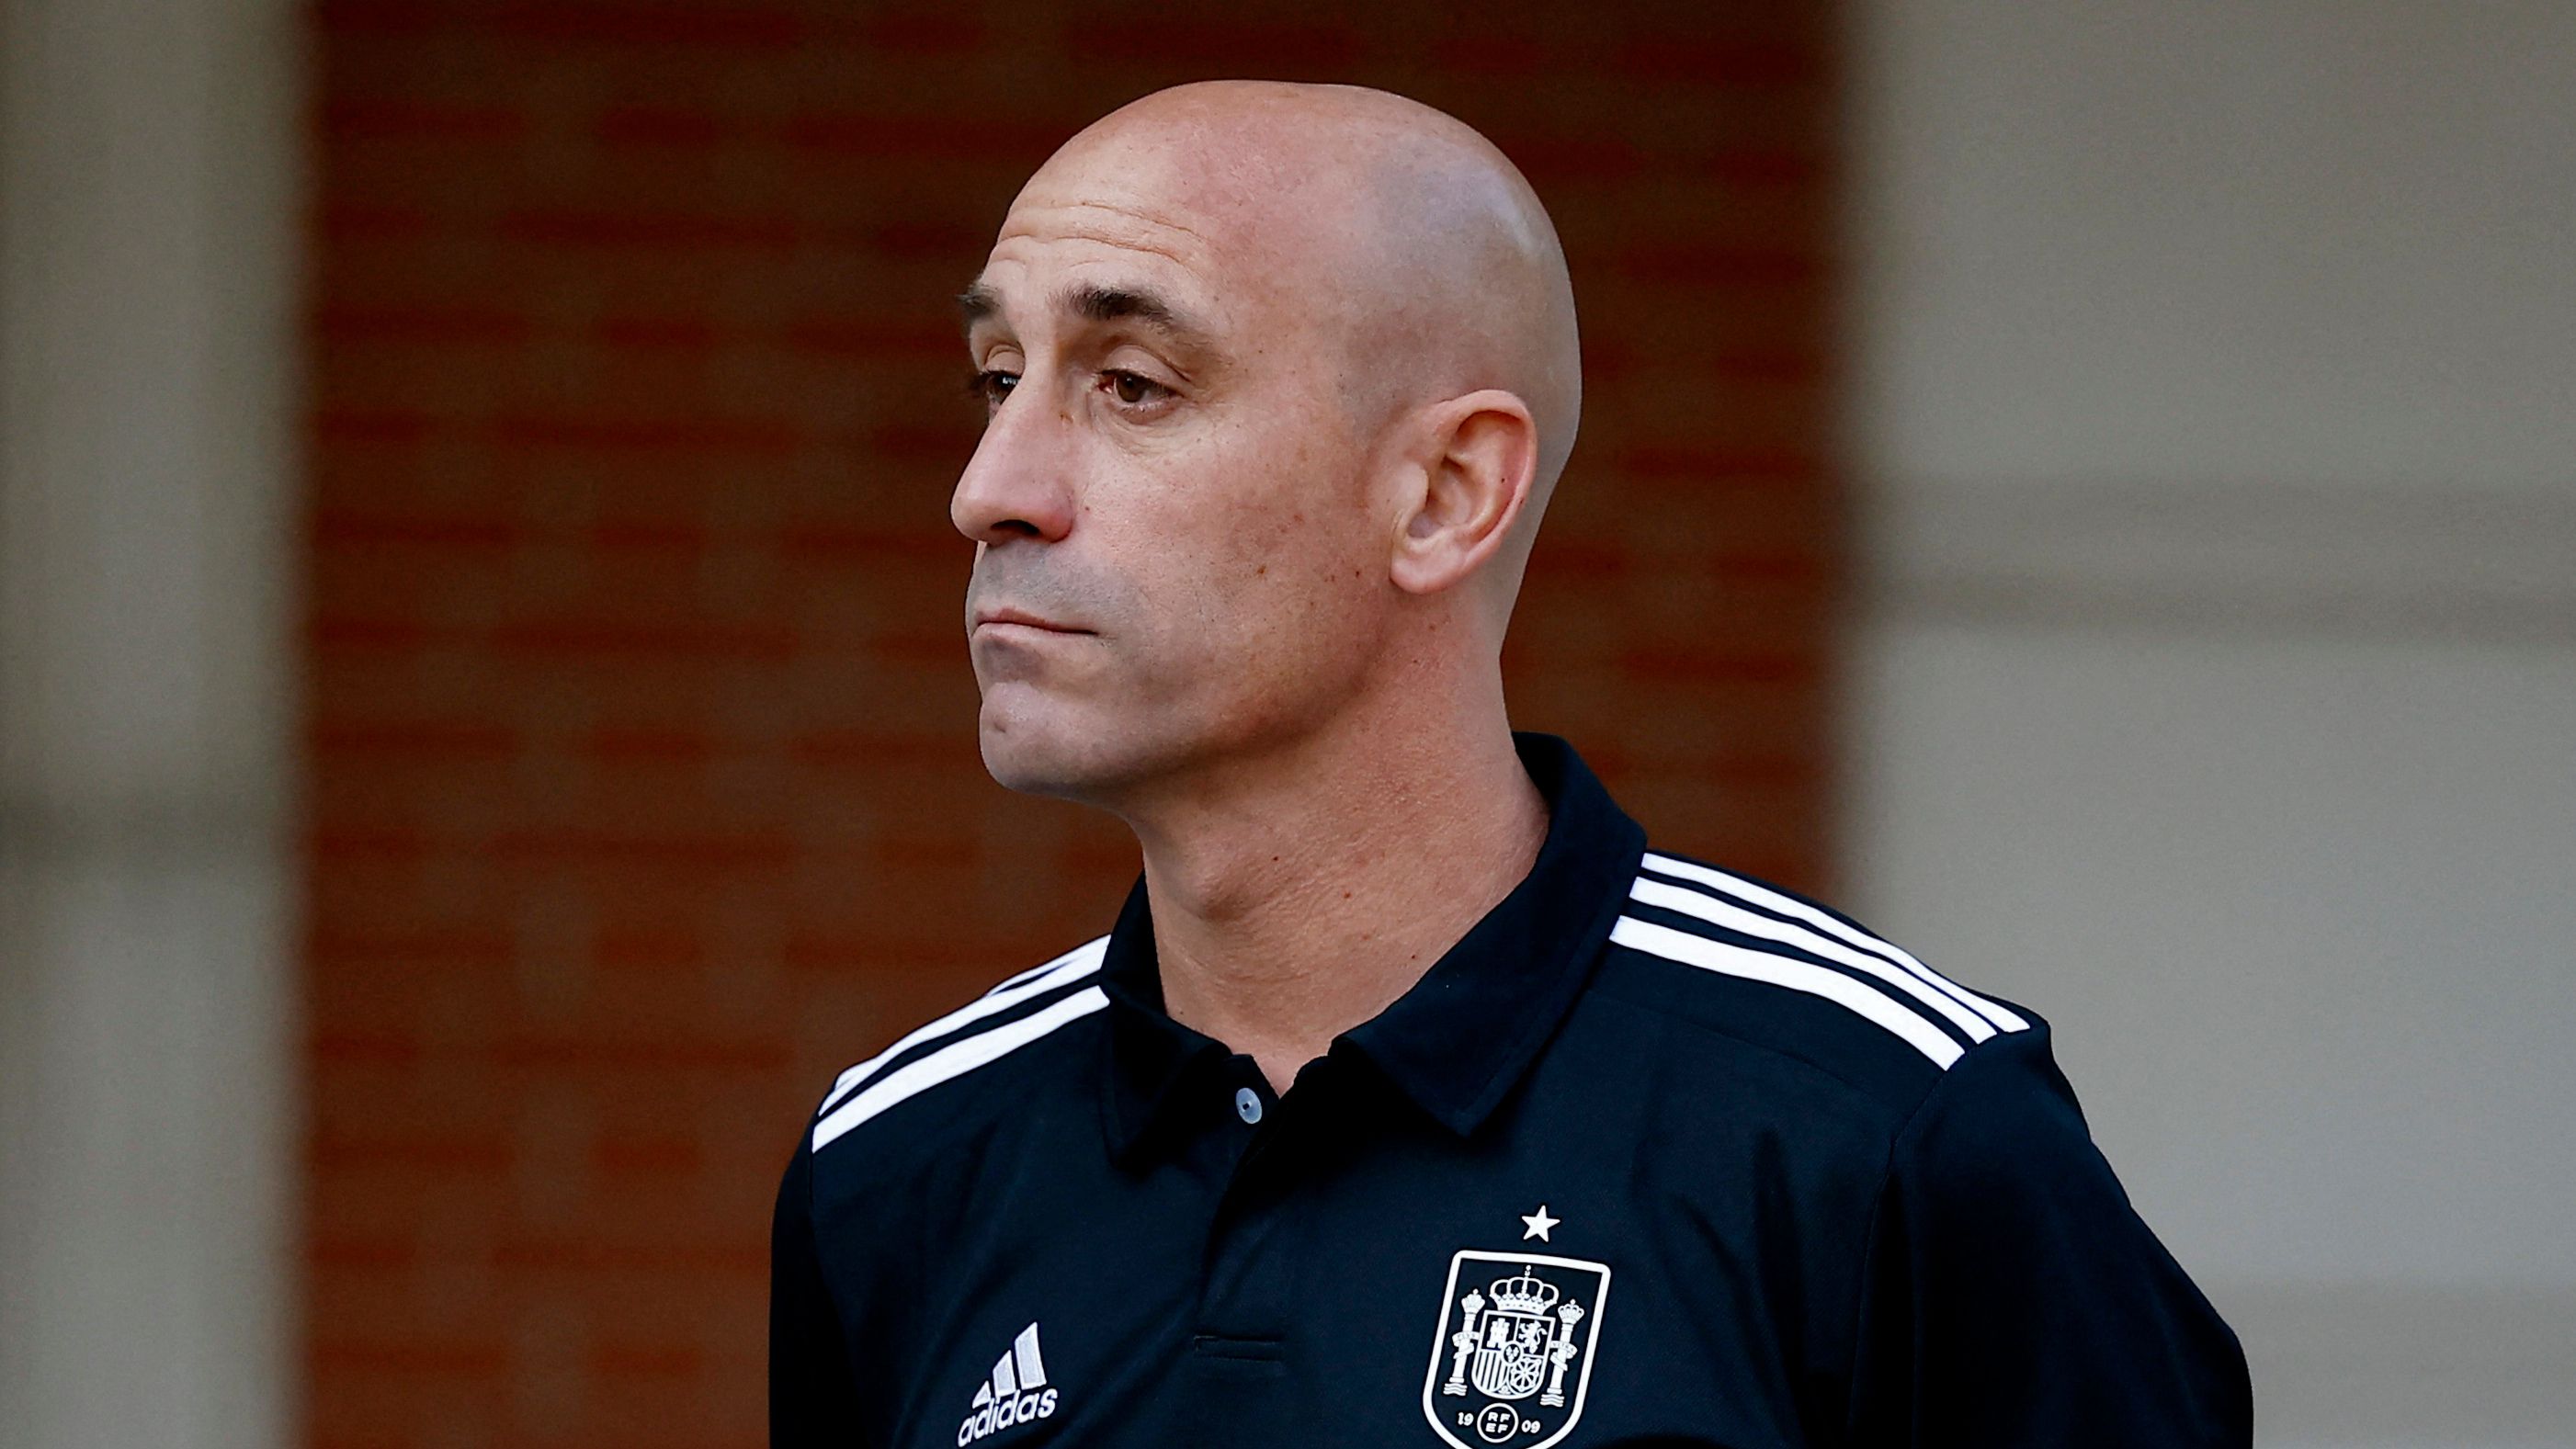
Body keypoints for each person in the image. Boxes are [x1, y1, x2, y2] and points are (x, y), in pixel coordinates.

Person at [769, 80, 2251, 1449]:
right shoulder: (896, 1166)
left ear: (1446, 492)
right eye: (996, 378)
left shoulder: (1887, 1138)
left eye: (1133, 383)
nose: (991, 490)